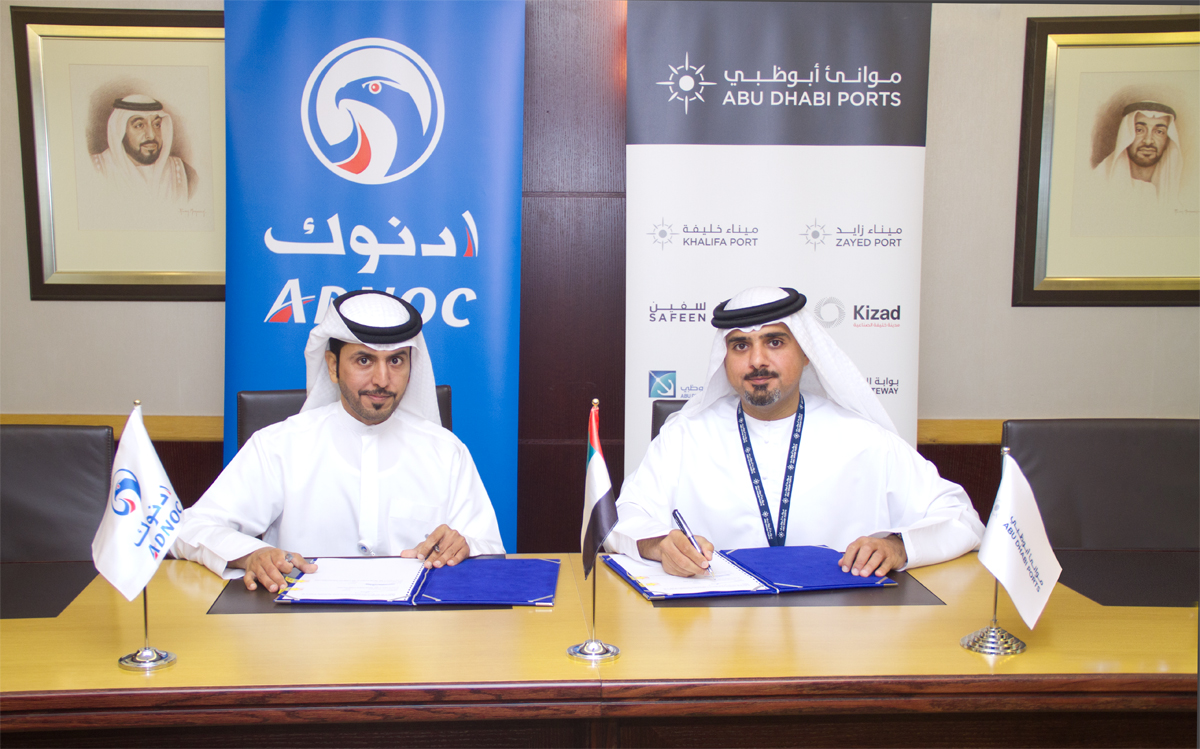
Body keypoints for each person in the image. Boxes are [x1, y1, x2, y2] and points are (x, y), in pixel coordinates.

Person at [609, 286, 984, 578]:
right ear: (724, 360)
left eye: (774, 342)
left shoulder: (864, 439)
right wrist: (660, 544)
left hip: (838, 629)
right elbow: (621, 519)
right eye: (740, 346)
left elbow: (961, 518)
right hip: (715, 626)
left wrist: (899, 546)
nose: (757, 361)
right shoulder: (685, 438)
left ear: (806, 353)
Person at [174, 290, 504, 592]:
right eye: (364, 360)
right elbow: (188, 529)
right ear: (333, 367)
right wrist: (252, 554)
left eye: (396, 361)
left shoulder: (446, 452)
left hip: (415, 631)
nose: (382, 380)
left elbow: (490, 550)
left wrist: (465, 547)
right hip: (302, 630)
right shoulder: (279, 446)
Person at [91, 94, 194, 206]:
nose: (151, 135)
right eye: (139, 125)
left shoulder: (184, 173)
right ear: (120, 131)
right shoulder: (94, 169)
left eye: (156, 125)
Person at [1092, 101, 1183, 208]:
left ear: (1168, 140)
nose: (1148, 141)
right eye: (1139, 130)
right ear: (1126, 135)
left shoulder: (1179, 191)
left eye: (1159, 132)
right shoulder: (1098, 183)